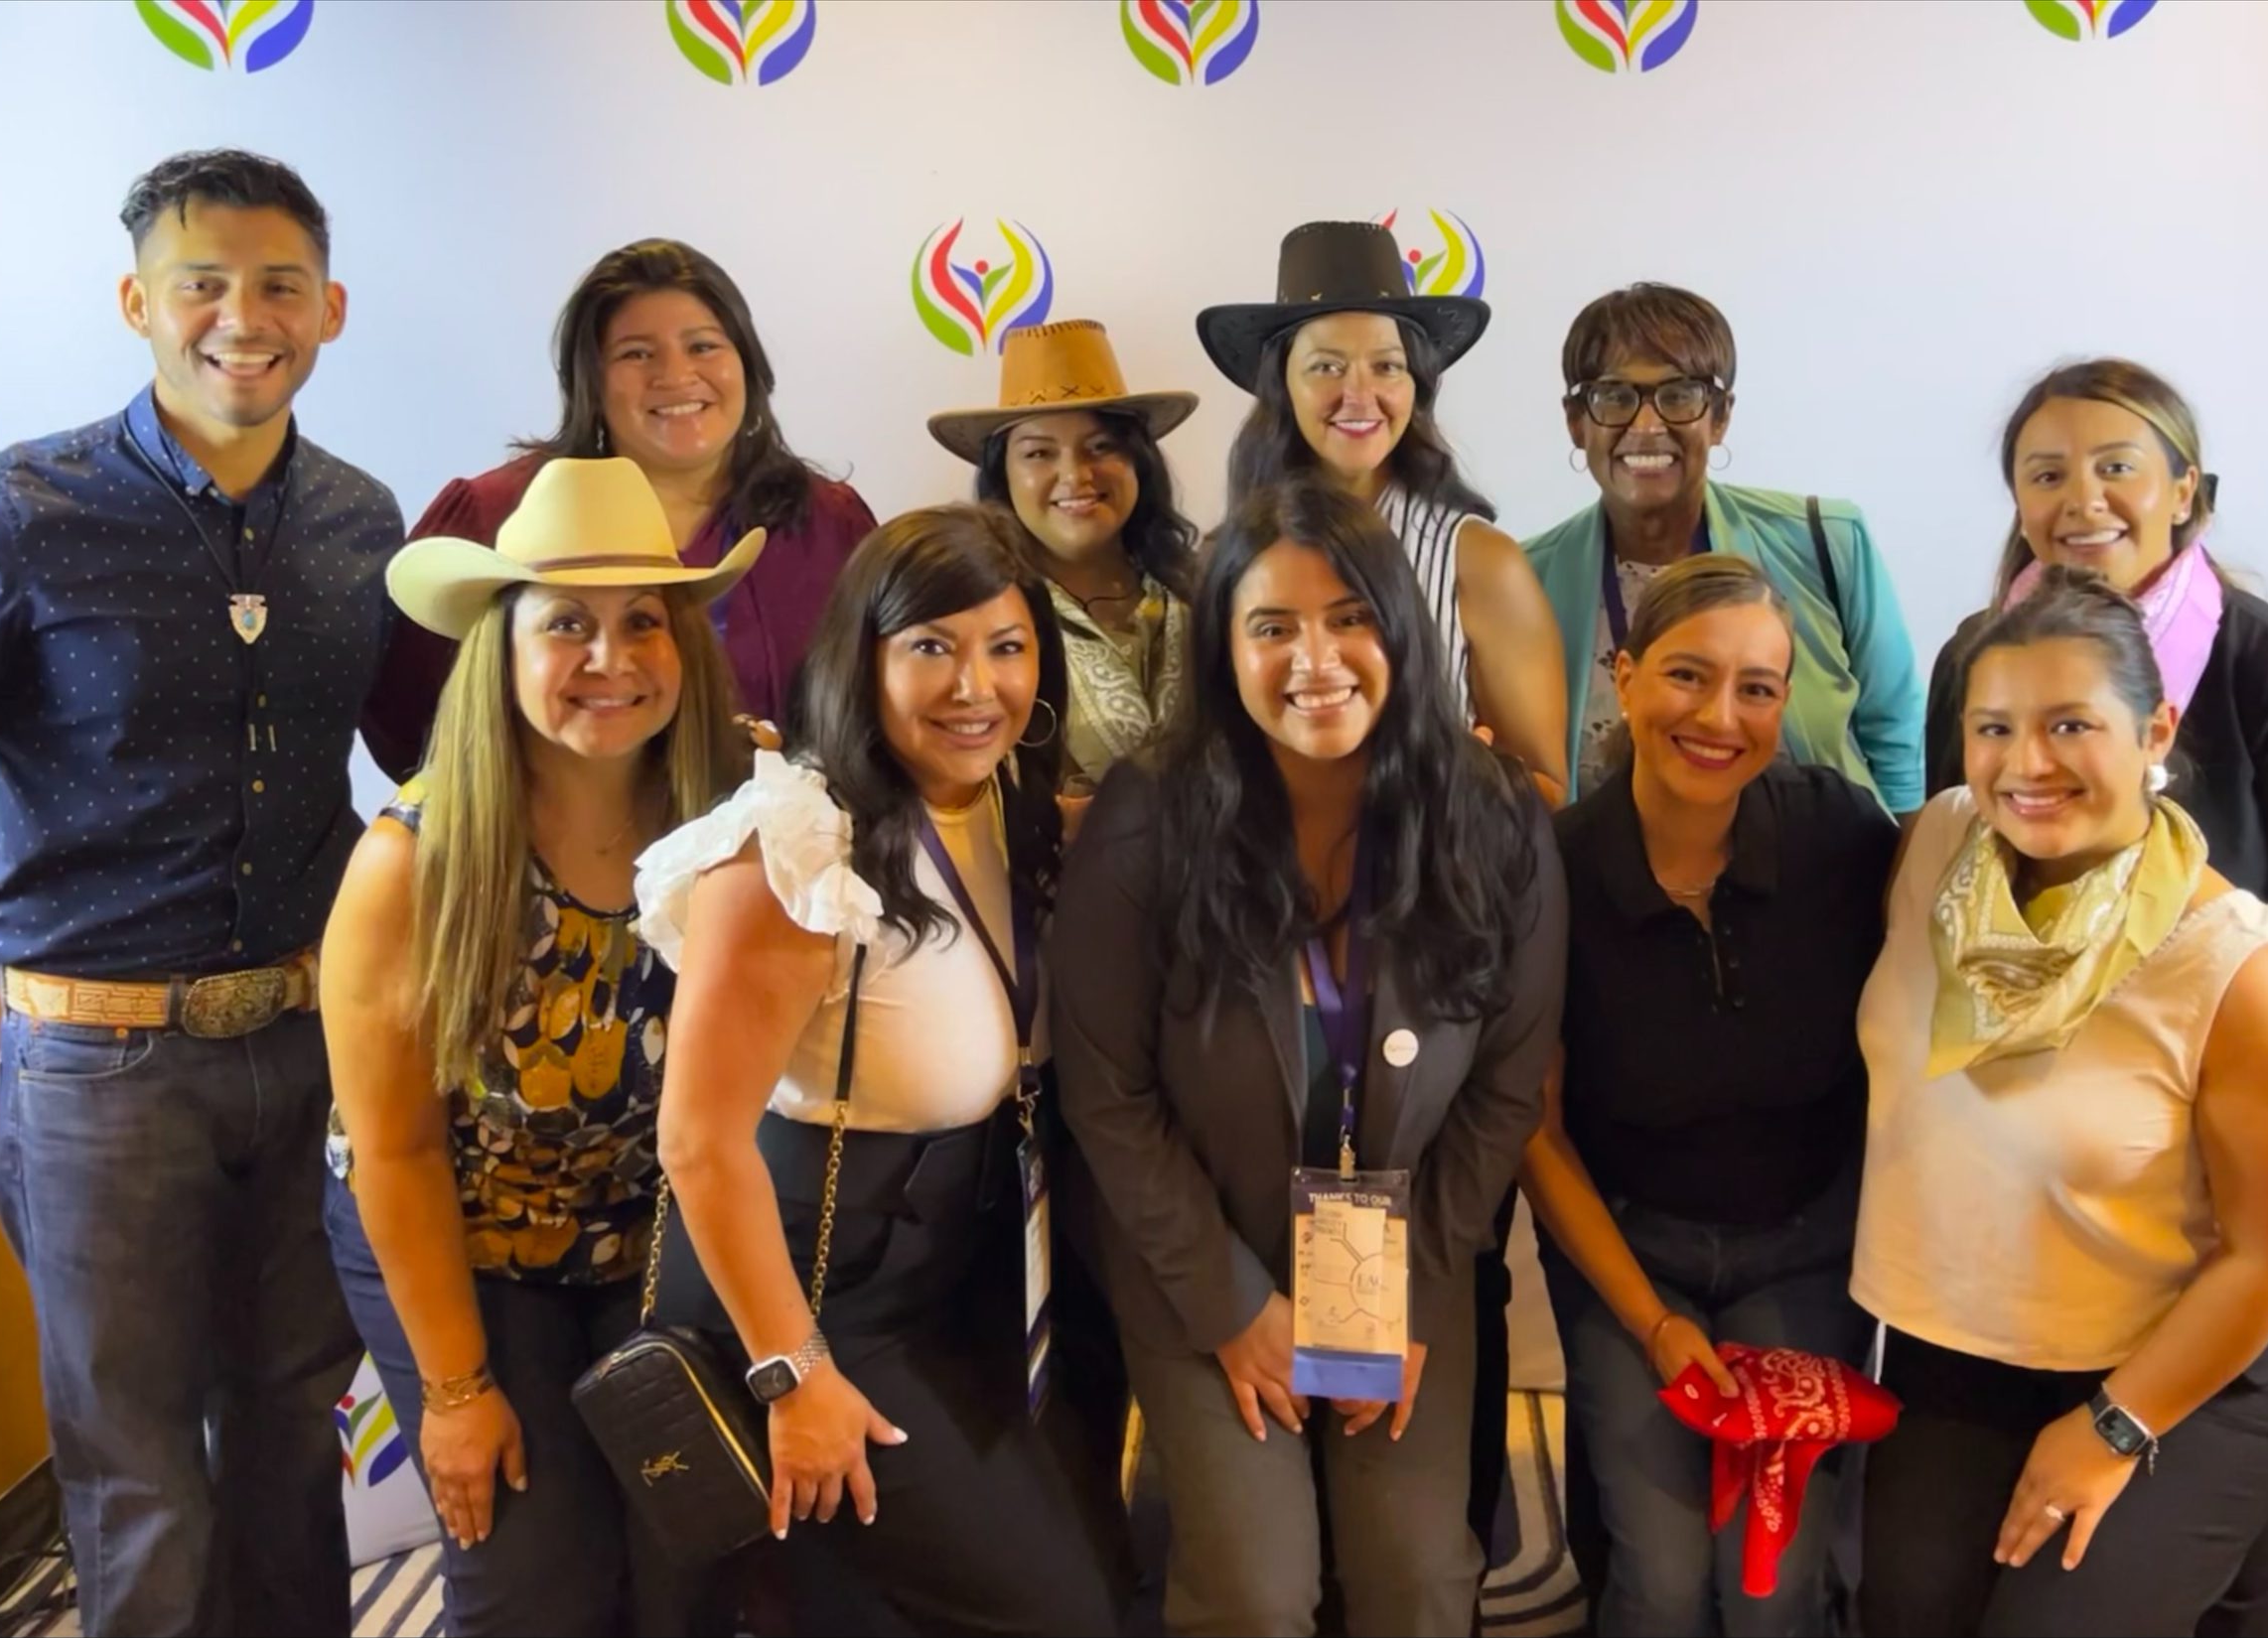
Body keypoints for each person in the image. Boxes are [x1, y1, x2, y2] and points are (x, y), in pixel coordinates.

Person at [0, 149, 417, 1634]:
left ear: (330, 309)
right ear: (139, 301)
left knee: (289, 1435)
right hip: (95, 1069)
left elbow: (429, 759)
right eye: (203, 284)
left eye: (278, 286)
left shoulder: (363, 524)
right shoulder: (8, 512)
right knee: (135, 1473)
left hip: (311, 1047)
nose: (240, 317)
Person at [1920, 359, 2268, 1633]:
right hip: (2112, 1128)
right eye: (2046, 474)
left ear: (2182, 490)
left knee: (2221, 1391)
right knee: (2203, 1436)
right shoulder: (1976, 666)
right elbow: (1966, 878)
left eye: (2115, 467)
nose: (2080, 498)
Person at [1052, 475, 1565, 1636]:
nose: (1315, 658)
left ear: (1402, 631)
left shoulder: (1493, 818)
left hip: (1404, 1247)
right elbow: (1109, 1093)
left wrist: (1409, 1289)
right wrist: (1231, 1306)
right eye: (1271, 626)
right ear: (1223, 650)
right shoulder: (1149, 815)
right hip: (1200, 1246)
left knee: (1417, 1578)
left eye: (1350, 619)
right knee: (1255, 1586)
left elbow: (1502, 1088)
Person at [633, 504, 1134, 1635]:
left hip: (980, 1274)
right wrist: (789, 1374)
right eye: (931, 648)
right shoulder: (797, 847)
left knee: (1101, 1570)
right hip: (826, 1296)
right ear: (861, 657)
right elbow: (697, 1143)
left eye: (1006, 648)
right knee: (1059, 1613)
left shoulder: (1007, 803)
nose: (974, 686)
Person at [1855, 568, 2268, 1635]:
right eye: (1992, 728)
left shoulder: (2238, 971)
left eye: (2069, 723)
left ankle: (2240, 1553)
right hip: (1960, 1352)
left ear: (2155, 726)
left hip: (2168, 1373)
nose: (2024, 764)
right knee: (1899, 1612)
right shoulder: (1937, 847)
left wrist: (2115, 1427)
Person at [320, 459, 753, 1634]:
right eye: (567, 624)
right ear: (499, 650)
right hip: (463, 1236)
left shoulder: (738, 814)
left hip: (651, 1235)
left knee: (688, 1555)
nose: (609, 660)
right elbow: (396, 1153)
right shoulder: (414, 862)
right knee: (532, 1576)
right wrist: (456, 1392)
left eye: (640, 624)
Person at [1521, 555, 1894, 1637]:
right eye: (1686, 676)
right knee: (1663, 1582)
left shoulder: (1842, 840)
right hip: (1629, 1254)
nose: (1719, 716)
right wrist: (1646, 1322)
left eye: (1758, 689)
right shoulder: (1554, 867)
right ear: (1624, 676)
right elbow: (1533, 1134)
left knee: (1769, 1591)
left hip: (1805, 1245)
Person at [366, 238, 875, 774]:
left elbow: (880, 706)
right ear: (591, 381)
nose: (676, 375)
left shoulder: (831, 526)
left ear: (747, 364)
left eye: (703, 346)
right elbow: (407, 720)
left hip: (786, 847)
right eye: (636, 353)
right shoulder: (493, 518)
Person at [1201, 218, 1570, 792]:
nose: (1359, 394)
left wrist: (1452, 774)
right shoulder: (1223, 561)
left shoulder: (1479, 562)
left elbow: (1546, 792)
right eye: (1326, 366)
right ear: (1282, 385)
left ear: (1416, 384)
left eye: (1386, 366)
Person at [1523, 283, 1922, 809]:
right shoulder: (1523, 583)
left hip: (1829, 880)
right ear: (1577, 423)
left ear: (1720, 416)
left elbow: (1898, 753)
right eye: (1615, 397)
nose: (1647, 426)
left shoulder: (1827, 540)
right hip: (1604, 888)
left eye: (1680, 395)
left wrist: (1900, 887)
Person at [930, 318, 1200, 787]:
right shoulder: (976, 616)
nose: (1076, 475)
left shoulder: (1204, 590)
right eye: (1039, 454)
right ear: (1003, 476)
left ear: (1139, 462)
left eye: (1101, 447)